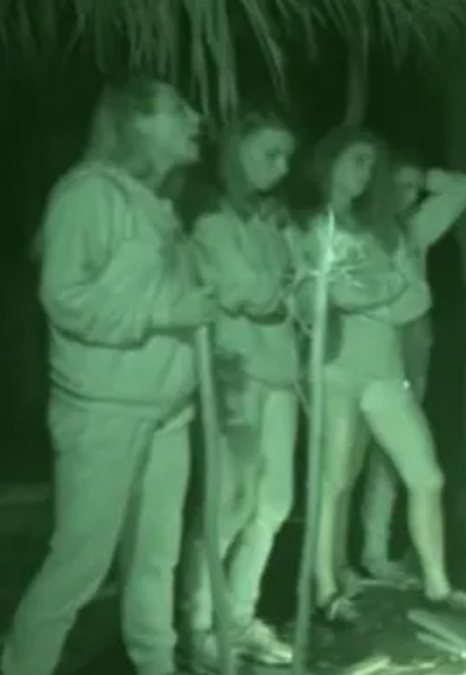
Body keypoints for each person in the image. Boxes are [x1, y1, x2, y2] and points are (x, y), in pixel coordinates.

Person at [2, 77, 212, 675]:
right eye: (177, 109)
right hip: (105, 410)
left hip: (168, 410)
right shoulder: (89, 195)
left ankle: (156, 665)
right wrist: (165, 311)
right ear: (136, 122)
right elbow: (64, 297)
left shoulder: (158, 204)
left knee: (155, 560)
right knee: (80, 564)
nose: (196, 119)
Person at [291, 127, 466, 626]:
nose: (367, 173)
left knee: (426, 475)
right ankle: (326, 588)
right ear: (330, 162)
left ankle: (437, 585)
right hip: (336, 369)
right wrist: (373, 290)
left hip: (385, 371)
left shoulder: (384, 230)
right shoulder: (311, 227)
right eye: (358, 161)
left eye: (372, 164)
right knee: (334, 480)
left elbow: (414, 297)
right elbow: (318, 301)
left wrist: (365, 291)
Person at [182, 110, 300, 668]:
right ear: (235, 153)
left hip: (281, 372)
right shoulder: (211, 222)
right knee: (229, 503)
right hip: (237, 375)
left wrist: (290, 281)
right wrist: (287, 286)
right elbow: (252, 294)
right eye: (269, 155)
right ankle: (199, 625)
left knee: (274, 502)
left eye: (287, 157)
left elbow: (300, 289)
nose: (282, 168)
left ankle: (240, 615)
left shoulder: (271, 224)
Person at [357, 156, 466, 584]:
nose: (405, 196)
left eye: (412, 189)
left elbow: (464, 186)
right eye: (396, 186)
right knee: (349, 457)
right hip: (361, 353)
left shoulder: (416, 229)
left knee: (392, 456)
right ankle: (335, 563)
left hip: (410, 350)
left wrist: (425, 176)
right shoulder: (358, 230)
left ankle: (375, 551)